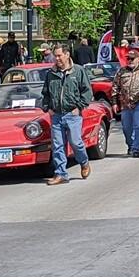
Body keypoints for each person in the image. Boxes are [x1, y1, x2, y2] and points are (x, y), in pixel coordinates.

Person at [40, 46, 92, 185]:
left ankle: (84, 162)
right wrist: (47, 108)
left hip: (72, 114)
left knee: (76, 142)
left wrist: (79, 107)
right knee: (58, 145)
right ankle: (61, 174)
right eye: (55, 56)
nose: (57, 59)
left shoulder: (78, 71)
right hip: (56, 115)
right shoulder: (51, 73)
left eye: (59, 56)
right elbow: (45, 93)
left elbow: (87, 92)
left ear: (67, 55)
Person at [111, 49, 139, 157]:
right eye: (128, 59)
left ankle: (136, 149)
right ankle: (130, 145)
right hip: (125, 104)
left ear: (138, 59)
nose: (130, 61)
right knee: (126, 128)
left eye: (132, 59)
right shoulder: (122, 71)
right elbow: (115, 87)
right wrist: (115, 102)